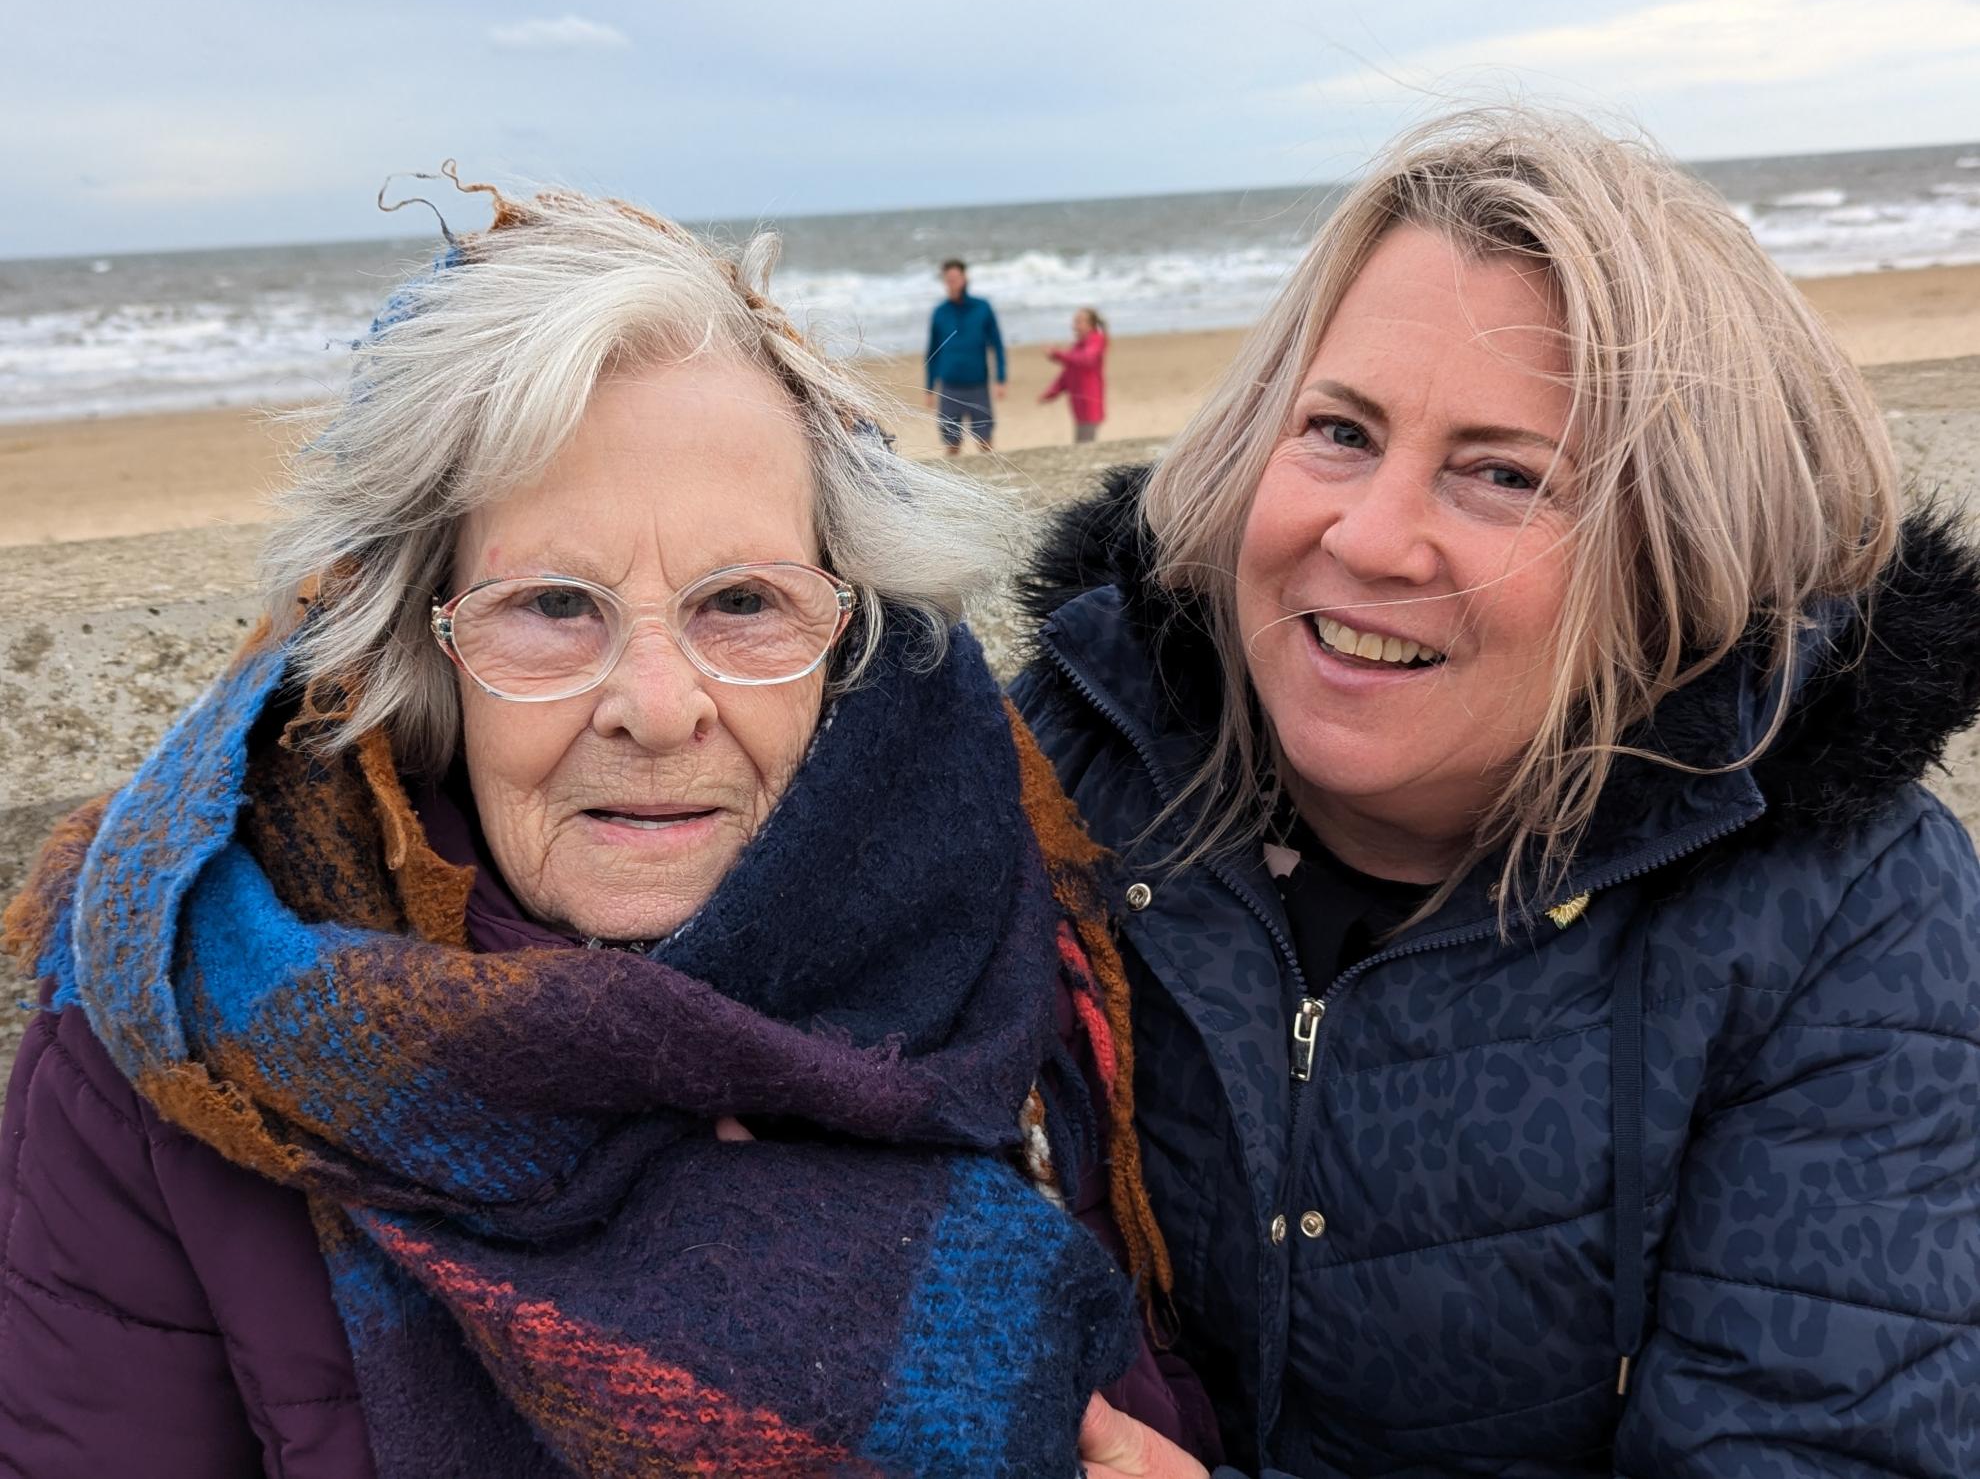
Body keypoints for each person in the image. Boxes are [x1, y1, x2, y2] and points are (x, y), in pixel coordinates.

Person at [0, 184, 1216, 1477]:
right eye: (553, 605)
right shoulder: (172, 1052)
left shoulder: (989, 941)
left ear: (845, 636)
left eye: (742, 599)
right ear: (427, 647)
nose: (656, 705)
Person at [1015, 107, 1980, 1478]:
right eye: (1340, 430)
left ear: (1676, 556)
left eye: (1502, 472)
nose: (1368, 534)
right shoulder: (1079, 749)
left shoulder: (1844, 911)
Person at [924, 257, 1007, 455]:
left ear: (964, 278)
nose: (952, 283)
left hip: (978, 385)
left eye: (956, 278)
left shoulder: (982, 308)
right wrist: (929, 387)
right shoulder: (939, 313)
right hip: (949, 387)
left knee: (985, 440)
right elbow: (932, 351)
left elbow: (997, 345)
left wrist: (1001, 379)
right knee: (952, 443)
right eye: (948, 279)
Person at [1041, 307, 1108, 444]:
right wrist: (1051, 393)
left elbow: (1085, 359)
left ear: (1091, 324)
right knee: (1080, 442)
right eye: (1074, 322)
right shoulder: (1077, 346)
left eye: (1079, 322)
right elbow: (1066, 375)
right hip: (1078, 405)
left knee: (1086, 444)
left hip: (1090, 403)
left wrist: (1057, 354)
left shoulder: (1097, 340)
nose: (1074, 326)